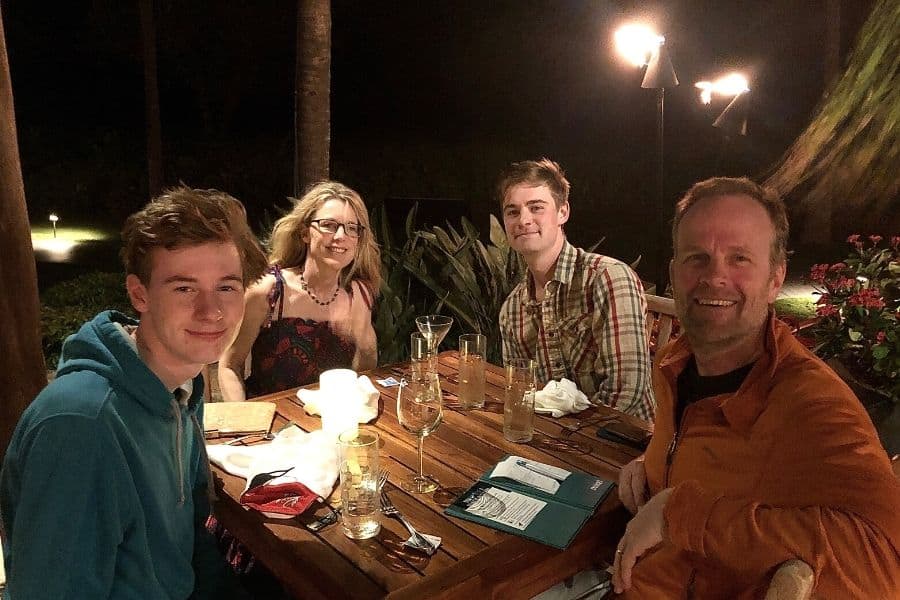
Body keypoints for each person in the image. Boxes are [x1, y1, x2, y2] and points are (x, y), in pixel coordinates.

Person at [612, 177, 900, 598]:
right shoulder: (676, 361)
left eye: (740, 258)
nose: (715, 276)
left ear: (775, 278)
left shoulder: (809, 402)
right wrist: (653, 463)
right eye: (697, 258)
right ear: (674, 273)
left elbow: (883, 561)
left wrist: (681, 514)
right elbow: (717, 459)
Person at [0, 186, 268, 599]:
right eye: (184, 288)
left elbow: (193, 546)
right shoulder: (81, 426)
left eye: (227, 288)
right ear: (139, 294)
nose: (211, 311)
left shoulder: (182, 386)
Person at [498, 158, 654, 420]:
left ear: (563, 212)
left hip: (625, 444)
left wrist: (570, 442)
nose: (523, 220)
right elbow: (523, 393)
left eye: (536, 207)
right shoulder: (512, 309)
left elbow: (626, 392)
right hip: (556, 442)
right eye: (512, 211)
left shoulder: (606, 278)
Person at [218, 181, 380, 402]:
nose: (341, 236)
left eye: (352, 228)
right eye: (329, 225)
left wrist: (367, 346)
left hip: (331, 422)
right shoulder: (270, 291)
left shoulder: (358, 294)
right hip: (273, 425)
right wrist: (246, 422)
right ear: (305, 233)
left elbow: (363, 373)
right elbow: (229, 366)